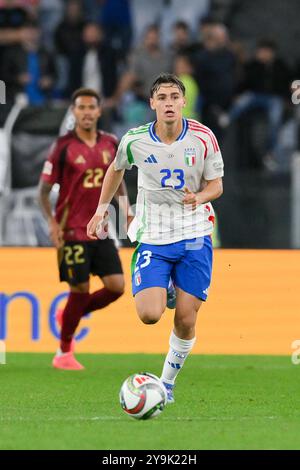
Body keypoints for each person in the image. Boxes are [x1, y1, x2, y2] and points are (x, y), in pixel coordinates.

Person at [87, 74, 224, 402]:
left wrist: (200, 197)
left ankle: (167, 383)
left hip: (194, 234)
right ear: (152, 104)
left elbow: (216, 185)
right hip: (154, 235)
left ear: (183, 102)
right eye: (161, 97)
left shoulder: (204, 137)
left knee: (186, 320)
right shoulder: (134, 140)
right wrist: (100, 210)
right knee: (149, 314)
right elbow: (116, 169)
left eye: (174, 97)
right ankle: (166, 289)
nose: (168, 103)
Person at [39, 87, 132, 370]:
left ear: (99, 111)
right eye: (81, 108)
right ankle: (64, 352)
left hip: (100, 229)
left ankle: (69, 314)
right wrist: (53, 224)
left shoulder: (110, 144)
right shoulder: (63, 147)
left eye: (92, 107)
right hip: (71, 231)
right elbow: (43, 193)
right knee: (79, 289)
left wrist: (126, 209)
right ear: (74, 112)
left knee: (116, 287)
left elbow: (117, 179)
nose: (87, 112)